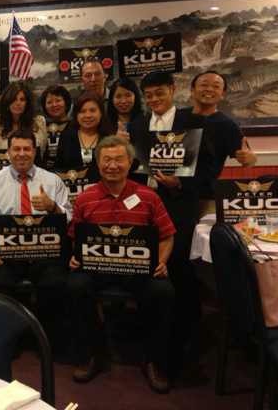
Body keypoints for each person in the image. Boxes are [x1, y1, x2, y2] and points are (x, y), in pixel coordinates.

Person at [66, 136, 175, 393]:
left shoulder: (148, 196)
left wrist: (161, 261)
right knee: (75, 286)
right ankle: (91, 353)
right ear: (98, 164)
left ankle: (154, 360)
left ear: (130, 163)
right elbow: (75, 237)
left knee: (163, 291)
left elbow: (167, 235)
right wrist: (75, 256)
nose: (112, 165)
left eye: (118, 159)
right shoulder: (84, 198)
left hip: (138, 270)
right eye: (106, 160)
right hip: (96, 269)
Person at [128, 71, 214, 377]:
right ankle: (148, 337)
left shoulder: (193, 122)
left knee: (179, 271)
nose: (154, 99)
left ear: (173, 90)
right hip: (143, 206)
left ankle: (184, 344)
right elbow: (133, 166)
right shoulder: (138, 125)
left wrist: (180, 183)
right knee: (149, 269)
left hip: (178, 205)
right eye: (149, 95)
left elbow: (208, 170)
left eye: (160, 93)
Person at [0, 130, 70, 340]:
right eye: (16, 149)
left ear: (35, 152)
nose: (22, 154)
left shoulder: (52, 181)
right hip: (7, 254)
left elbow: (69, 220)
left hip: (45, 254)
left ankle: (46, 340)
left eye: (27, 149)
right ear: (8, 152)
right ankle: (8, 338)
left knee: (55, 284)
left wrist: (53, 207)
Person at [190, 71, 257, 215]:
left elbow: (249, 160)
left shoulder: (227, 125)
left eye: (216, 86)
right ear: (192, 90)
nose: (209, 89)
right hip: (169, 194)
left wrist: (250, 158)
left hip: (206, 198)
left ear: (222, 94)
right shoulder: (177, 117)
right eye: (204, 85)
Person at [54, 91, 112, 170]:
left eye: (92, 110)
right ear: (76, 115)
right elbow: (58, 167)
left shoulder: (109, 137)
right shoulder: (66, 136)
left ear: (101, 113)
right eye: (82, 111)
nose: (87, 115)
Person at [0, 81, 47, 157]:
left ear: (27, 103)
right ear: (7, 102)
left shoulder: (39, 122)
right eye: (14, 99)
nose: (18, 103)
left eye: (22, 99)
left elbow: (44, 152)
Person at [40, 85, 72, 169]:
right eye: (49, 102)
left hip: (69, 171)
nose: (54, 105)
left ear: (66, 102)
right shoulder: (41, 126)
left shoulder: (75, 125)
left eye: (58, 100)